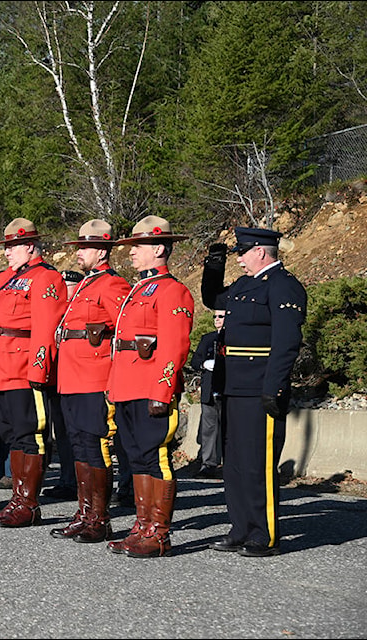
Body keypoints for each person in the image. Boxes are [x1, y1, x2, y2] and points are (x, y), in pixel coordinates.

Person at [202, 227, 307, 558]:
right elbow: (212, 299)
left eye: (242, 253)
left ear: (260, 252)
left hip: (260, 386)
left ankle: (264, 534)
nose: (240, 260)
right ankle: (241, 528)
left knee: (258, 464)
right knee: (234, 463)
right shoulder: (246, 285)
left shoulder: (282, 285)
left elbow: (286, 343)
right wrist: (213, 267)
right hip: (233, 386)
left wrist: (274, 386)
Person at [106, 215, 194, 558]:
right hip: (127, 385)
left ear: (158, 248)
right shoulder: (138, 289)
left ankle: (158, 533)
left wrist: (162, 390)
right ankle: (142, 526)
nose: (131, 252)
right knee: (137, 457)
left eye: (137, 246)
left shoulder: (173, 290)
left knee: (155, 457)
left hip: (150, 387)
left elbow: (174, 346)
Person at [0, 217, 67, 528]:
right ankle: (16, 500)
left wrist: (39, 371)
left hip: (22, 369)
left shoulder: (45, 279)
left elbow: (45, 329)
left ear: (29, 246)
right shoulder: (12, 277)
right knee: (12, 436)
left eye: (11, 247)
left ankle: (28, 504)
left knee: (30, 438)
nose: (7, 253)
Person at [50, 219, 131, 543]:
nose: (79, 253)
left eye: (84, 247)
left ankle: (99, 518)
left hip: (94, 377)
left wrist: (115, 377)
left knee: (95, 446)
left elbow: (124, 331)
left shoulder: (112, 285)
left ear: (100, 250)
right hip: (72, 376)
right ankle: (84, 513)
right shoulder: (86, 283)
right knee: (80, 446)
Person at [41, 269, 88, 502]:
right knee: (60, 434)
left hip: (78, 380)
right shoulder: (56, 313)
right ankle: (67, 480)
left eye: (68, 289)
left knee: (77, 435)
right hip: (55, 380)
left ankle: (79, 483)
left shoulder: (81, 313)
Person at [190, 300, 227, 480]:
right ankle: (208, 464)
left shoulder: (234, 338)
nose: (217, 320)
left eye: (221, 316)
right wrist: (205, 363)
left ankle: (230, 464)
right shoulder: (207, 339)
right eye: (215, 316)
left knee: (230, 429)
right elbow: (195, 361)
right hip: (209, 389)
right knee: (208, 429)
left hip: (227, 390)